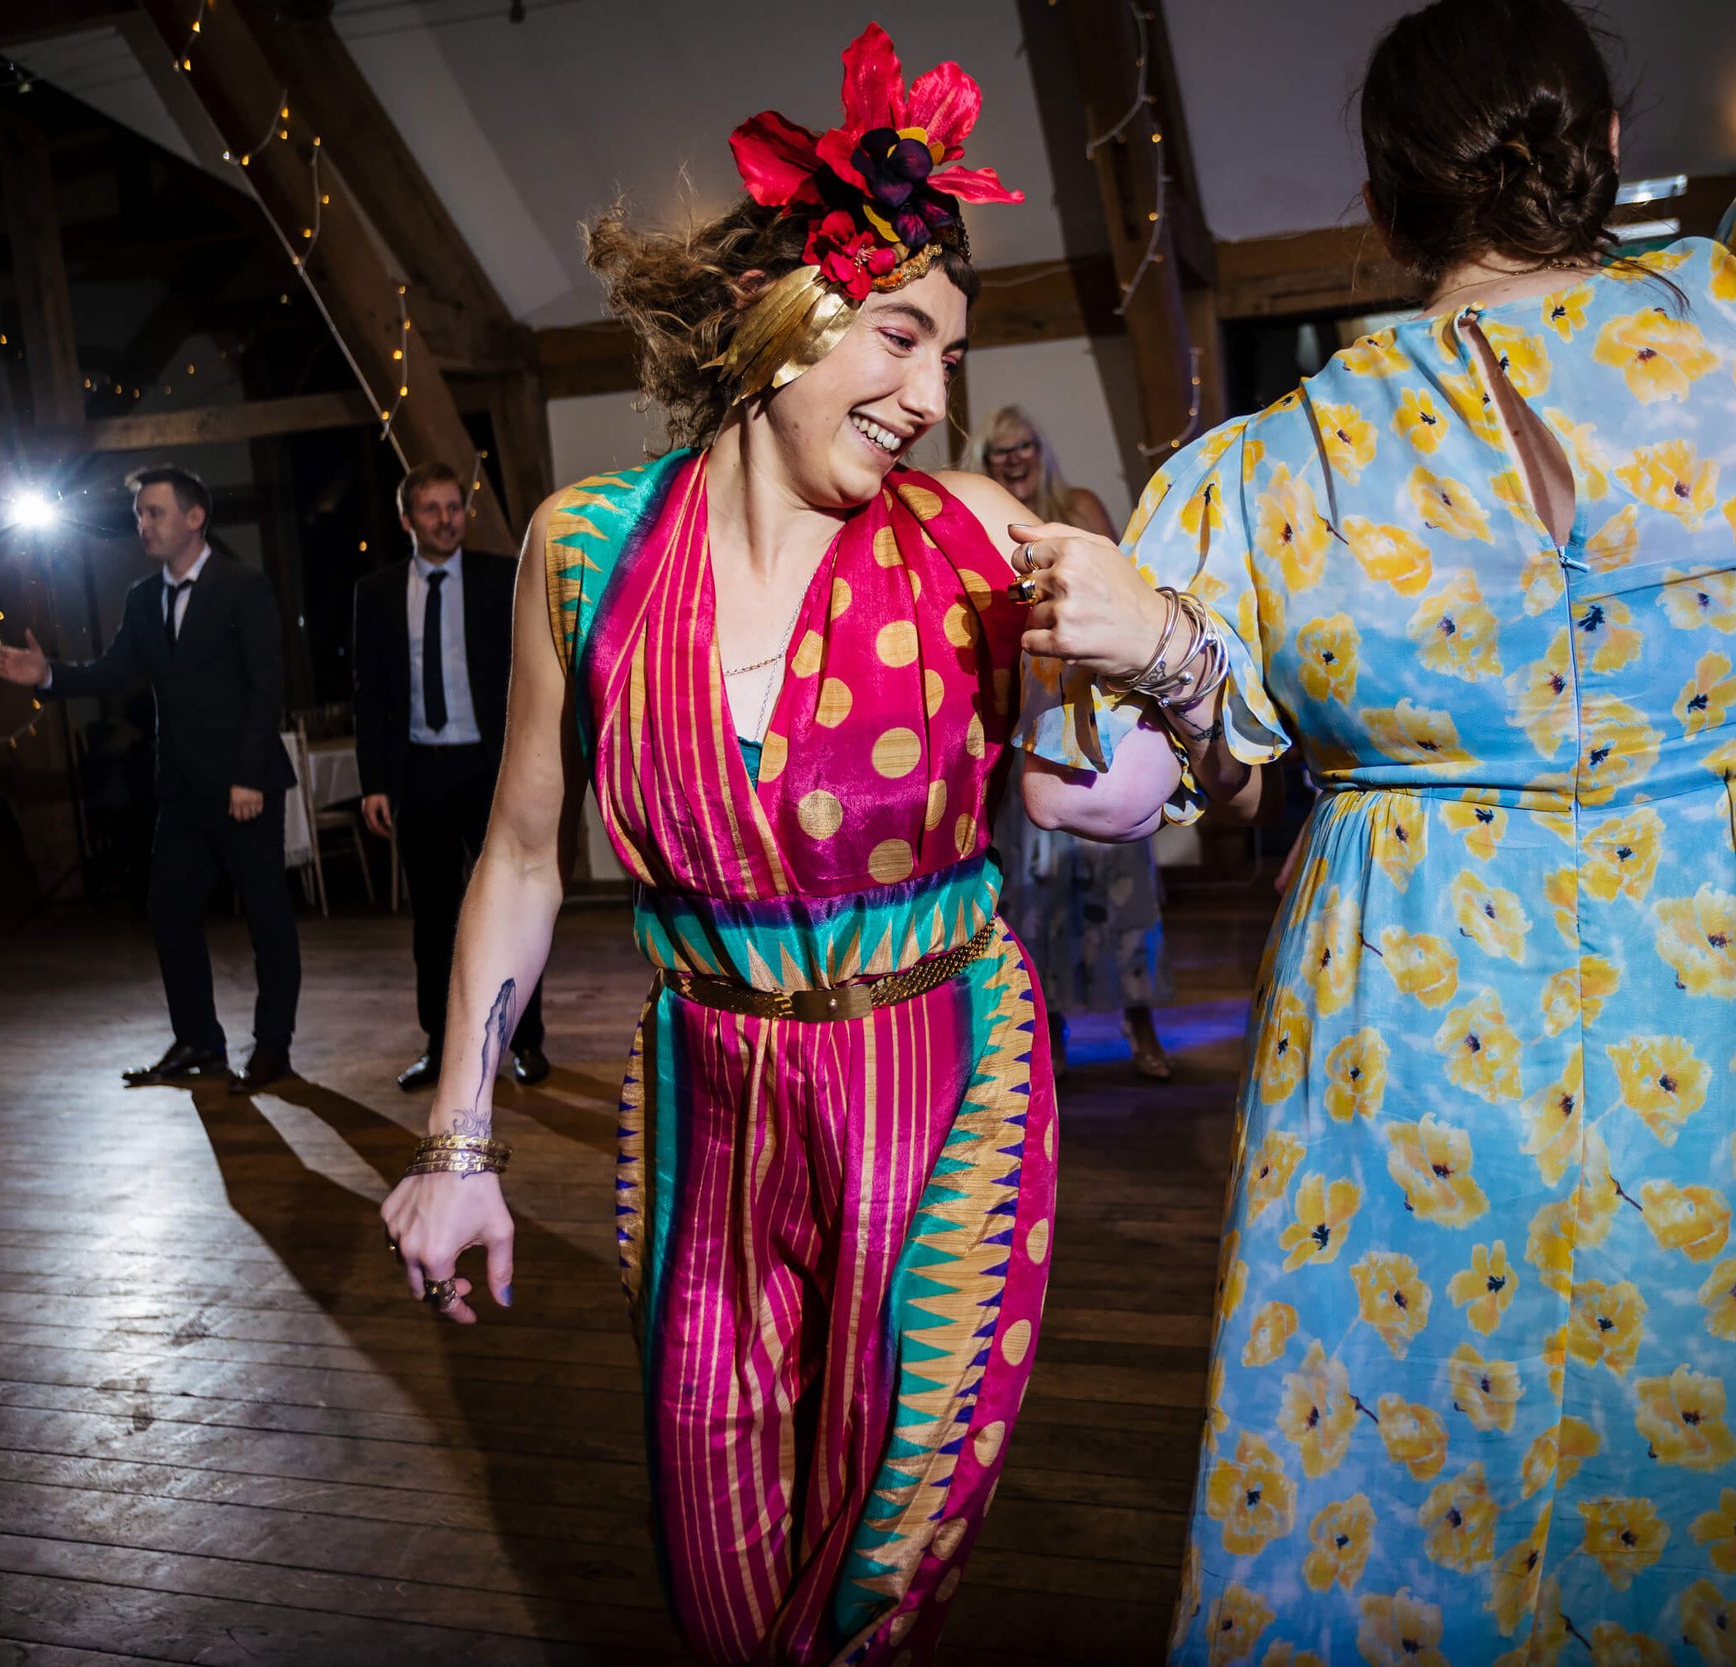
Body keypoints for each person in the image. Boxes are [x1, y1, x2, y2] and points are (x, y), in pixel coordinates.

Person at [1013, 0, 1736, 1657]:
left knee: (1436, 1484)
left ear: (1384, 199)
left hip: (1428, 1068)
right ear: (1608, 155)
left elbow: (1098, 788)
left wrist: (1141, 648)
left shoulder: (1282, 463)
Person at [373, 27, 1175, 1662]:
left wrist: (1171, 660)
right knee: (720, 1558)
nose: (930, 395)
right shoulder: (583, 551)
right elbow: (522, 856)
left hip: (941, 1076)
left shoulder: (977, 539)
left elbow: (1206, 771)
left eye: (951, 353)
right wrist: (458, 1146)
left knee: (885, 1545)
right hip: (704, 1096)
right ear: (784, 316)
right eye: (900, 335)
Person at [0, 465, 301, 1090]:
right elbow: (110, 673)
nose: (142, 524)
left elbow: (266, 690)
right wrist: (47, 676)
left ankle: (273, 1048)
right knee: (169, 911)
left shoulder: (242, 587)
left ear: (194, 517)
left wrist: (247, 776)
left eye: (154, 512)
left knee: (267, 921)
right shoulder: (140, 599)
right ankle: (199, 1043)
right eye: (140, 515)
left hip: (245, 787)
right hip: (180, 790)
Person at [978, 405, 1175, 1079]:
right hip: (1027, 718)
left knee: (1121, 881)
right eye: (1000, 452)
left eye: (1023, 446)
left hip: (1095, 710)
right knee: (1032, 892)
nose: (1013, 459)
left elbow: (1131, 592)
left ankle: (1140, 1023)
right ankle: (1048, 1033)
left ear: (1042, 448)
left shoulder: (1081, 505)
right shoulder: (990, 522)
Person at [352, 459, 546, 1091]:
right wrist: (375, 780)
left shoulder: (500, 579)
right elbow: (370, 694)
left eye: (454, 507)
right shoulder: (377, 592)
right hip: (419, 774)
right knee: (433, 921)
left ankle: (526, 1042)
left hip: (493, 771)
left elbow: (533, 675)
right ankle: (440, 1047)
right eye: (431, 509)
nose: (445, 519)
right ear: (407, 519)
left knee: (512, 911)